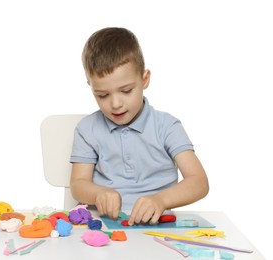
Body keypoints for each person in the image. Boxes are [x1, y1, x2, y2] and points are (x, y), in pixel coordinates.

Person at [70, 27, 209, 226]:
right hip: (103, 225)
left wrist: (161, 200)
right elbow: (78, 185)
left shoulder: (167, 126)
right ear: (90, 86)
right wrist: (99, 193)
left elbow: (199, 182)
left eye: (126, 91)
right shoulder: (87, 129)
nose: (116, 103)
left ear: (145, 80)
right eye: (102, 95)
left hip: (157, 225)